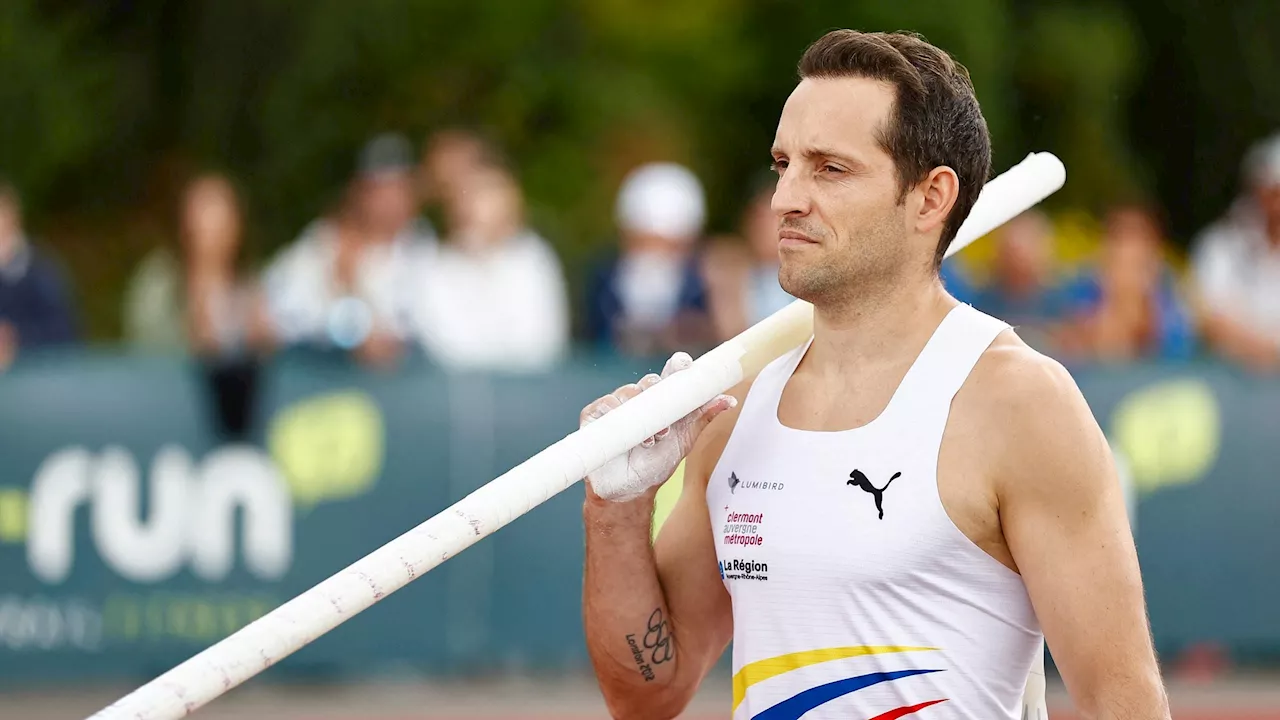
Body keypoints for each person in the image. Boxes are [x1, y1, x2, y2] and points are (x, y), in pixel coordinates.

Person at [580, 29, 1169, 720]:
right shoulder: (735, 405)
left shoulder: (1016, 403)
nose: (786, 200)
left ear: (929, 198)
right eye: (783, 164)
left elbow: (1122, 701)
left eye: (829, 169)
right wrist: (616, 512)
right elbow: (646, 693)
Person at [1188, 132, 1280, 372]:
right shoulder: (1220, 246)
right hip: (1227, 384)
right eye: (1275, 191)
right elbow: (1209, 319)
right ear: (1258, 190)